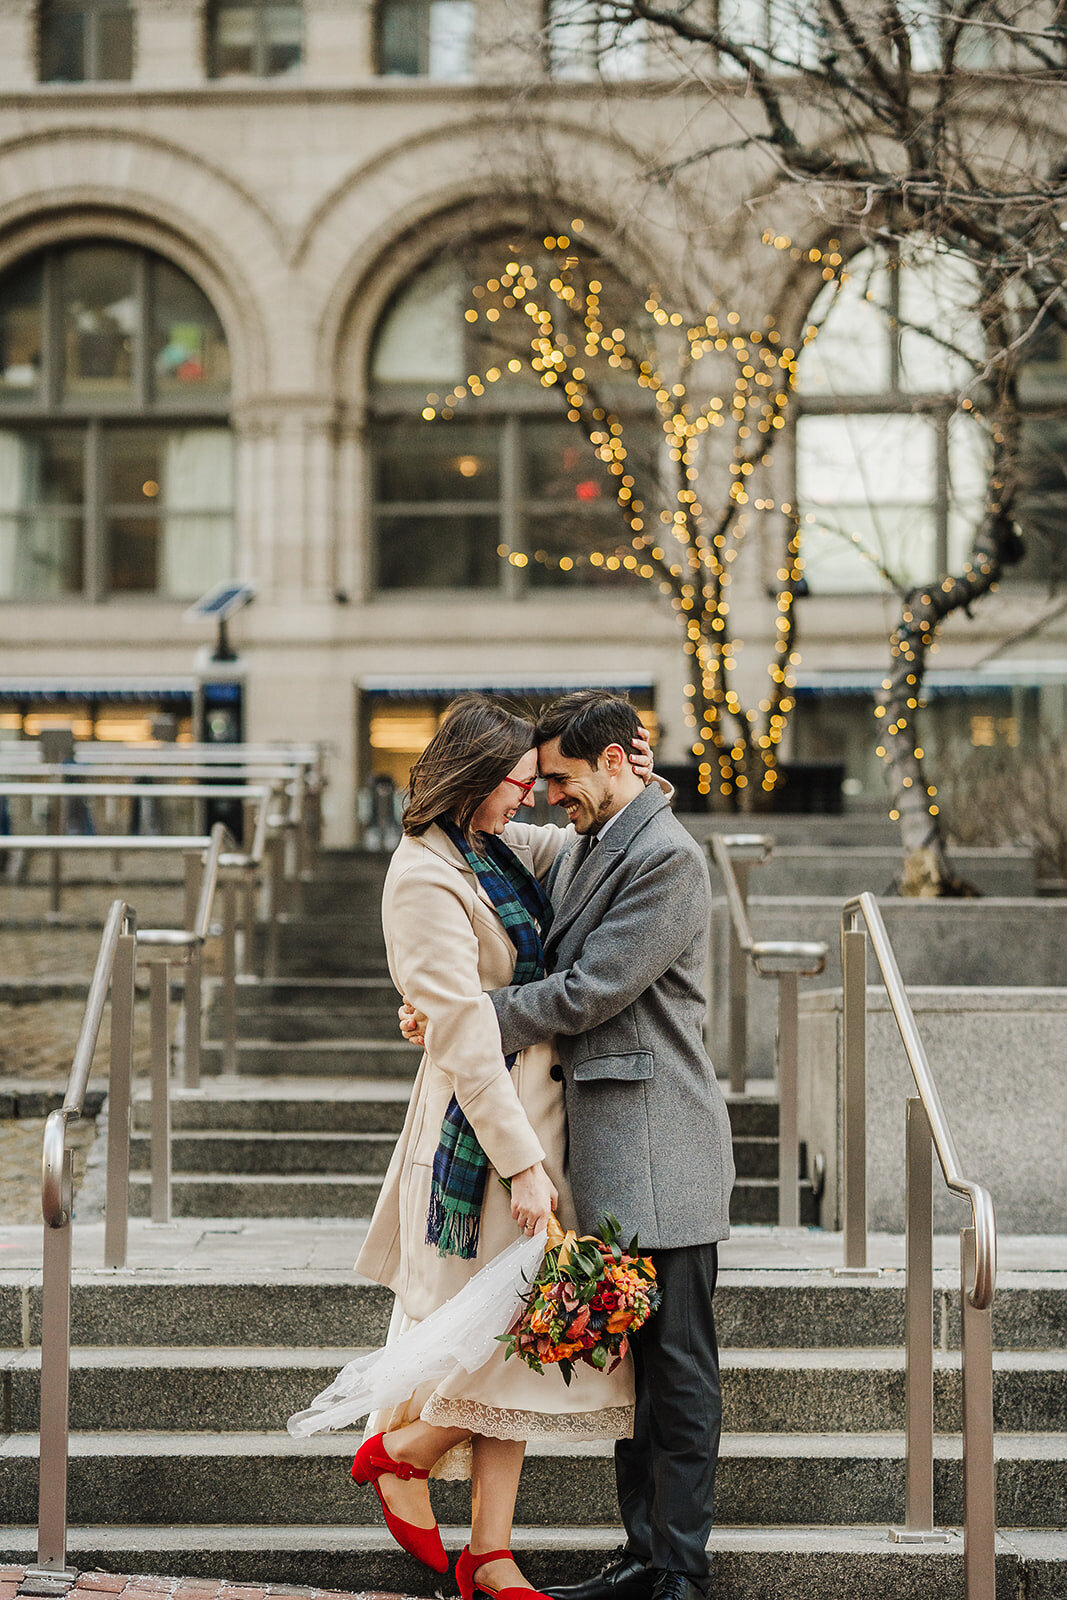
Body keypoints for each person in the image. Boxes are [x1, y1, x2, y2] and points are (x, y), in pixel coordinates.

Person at [403, 691, 734, 1600]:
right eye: (537, 779)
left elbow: (591, 990)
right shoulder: (593, 842)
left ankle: (677, 1570)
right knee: (638, 1372)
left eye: (559, 776)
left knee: (677, 1369)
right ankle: (643, 1557)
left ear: (618, 761)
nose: (547, 796)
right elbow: (486, 886)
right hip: (612, 1151)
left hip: (661, 1144)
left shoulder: (666, 857)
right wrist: (444, 1008)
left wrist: (465, 1018)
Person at [352, 695, 653, 1600]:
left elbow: (605, 834)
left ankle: (489, 1548)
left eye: (537, 783)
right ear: (477, 780)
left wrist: (633, 773)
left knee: (521, 1318)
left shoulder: (496, 848)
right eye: (519, 784)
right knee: (508, 1322)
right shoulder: (422, 876)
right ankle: (405, 1454)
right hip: (480, 1134)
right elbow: (463, 1038)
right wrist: (522, 1165)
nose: (532, 800)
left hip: (537, 1116)